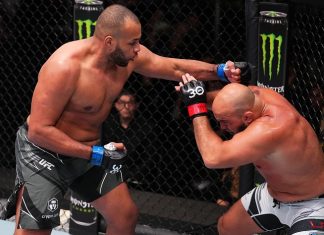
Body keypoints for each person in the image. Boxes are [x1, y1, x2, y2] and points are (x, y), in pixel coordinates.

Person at [2, 4, 243, 235]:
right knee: (34, 231)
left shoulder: (128, 58)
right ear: (109, 42)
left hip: (90, 152)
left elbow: (174, 67)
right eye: (133, 42)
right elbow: (38, 131)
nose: (139, 48)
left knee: (124, 216)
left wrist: (220, 70)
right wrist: (95, 154)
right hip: (45, 154)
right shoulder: (65, 67)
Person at [178, 74, 324, 235]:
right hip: (275, 195)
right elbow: (225, 102)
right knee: (228, 228)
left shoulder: (270, 128)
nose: (222, 127)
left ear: (247, 117)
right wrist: (197, 91)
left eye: (225, 121)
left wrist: (196, 108)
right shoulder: (255, 96)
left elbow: (213, 157)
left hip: (313, 203)